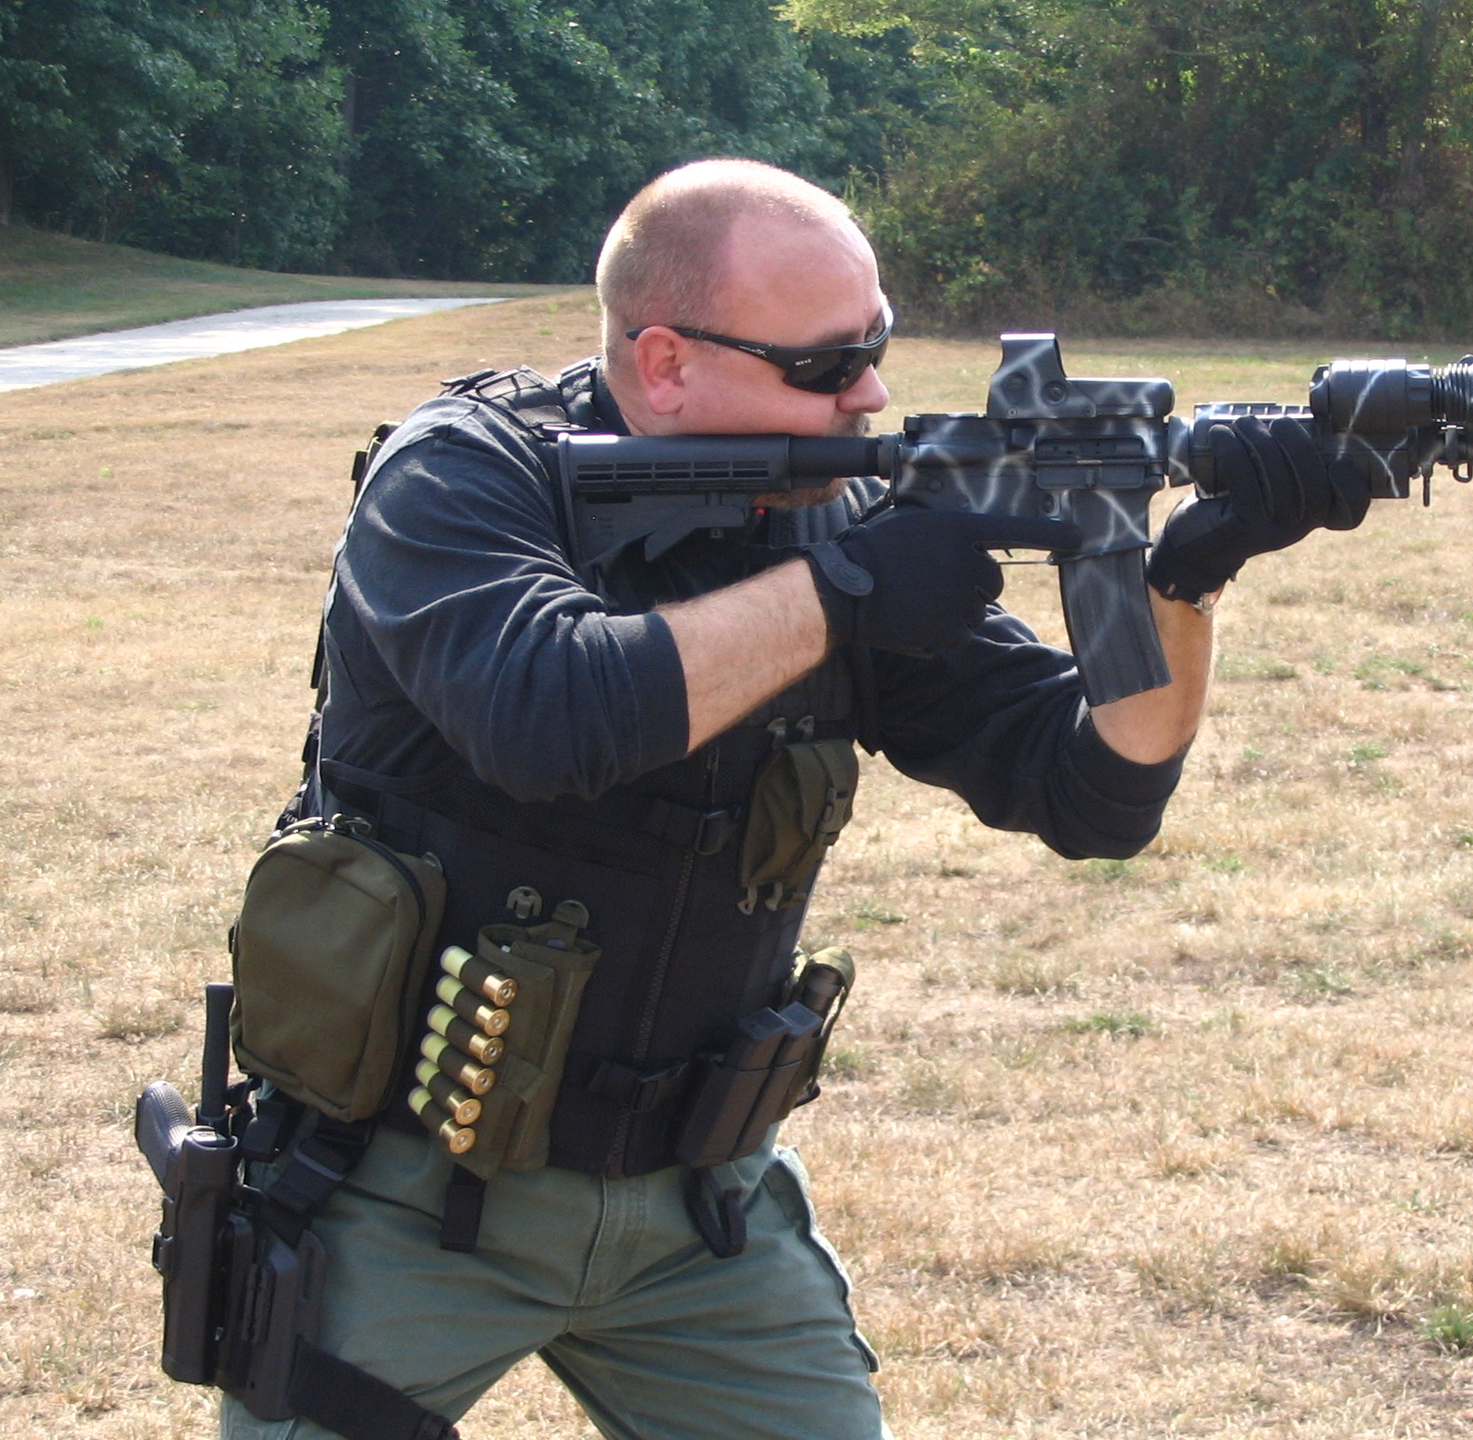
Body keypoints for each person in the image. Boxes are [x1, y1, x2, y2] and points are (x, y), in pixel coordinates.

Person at [223, 158, 1366, 1440]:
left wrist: (1185, 580)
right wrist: (845, 592)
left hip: (697, 1211)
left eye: (875, 349)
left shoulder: (839, 518)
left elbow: (1092, 790)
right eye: (825, 367)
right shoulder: (464, 476)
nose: (870, 395)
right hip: (402, 1191)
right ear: (665, 363)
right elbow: (546, 713)